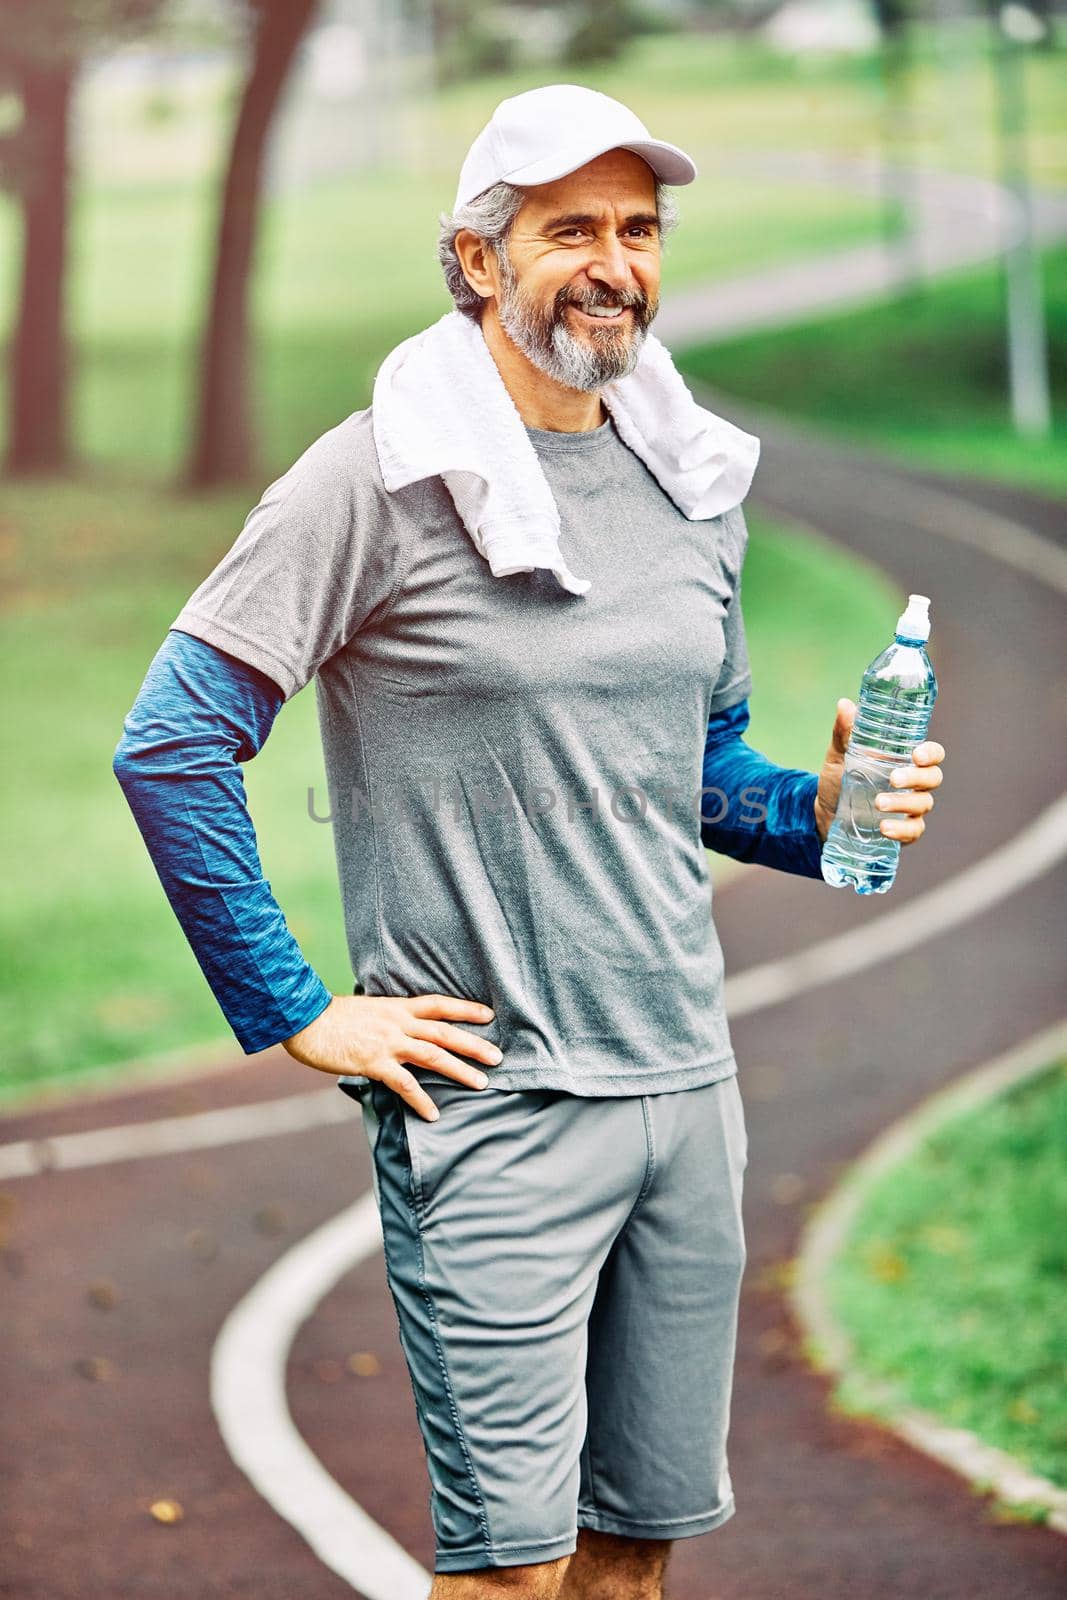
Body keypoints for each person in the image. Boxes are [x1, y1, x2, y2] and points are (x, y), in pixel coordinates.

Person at [113, 84, 946, 1600]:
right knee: (510, 1576)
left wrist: (815, 815)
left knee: (633, 1557)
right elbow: (171, 746)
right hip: (500, 1115)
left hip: (687, 1090)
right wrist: (299, 1009)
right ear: (476, 260)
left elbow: (697, 771)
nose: (613, 264)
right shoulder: (374, 475)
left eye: (638, 229)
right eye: (570, 230)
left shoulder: (692, 483)